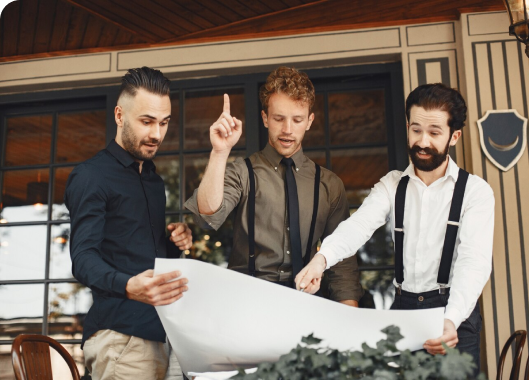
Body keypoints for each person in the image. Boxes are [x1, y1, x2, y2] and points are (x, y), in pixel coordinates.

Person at [295, 83, 494, 374]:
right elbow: (358, 227)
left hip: (455, 316)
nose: (422, 141)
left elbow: (473, 264)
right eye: (416, 130)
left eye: (434, 133)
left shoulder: (476, 192)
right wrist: (321, 259)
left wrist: (450, 319)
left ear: (454, 136)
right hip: (404, 312)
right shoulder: (392, 185)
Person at [185, 66, 362, 305]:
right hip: (246, 304)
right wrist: (220, 152)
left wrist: (349, 324)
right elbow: (206, 217)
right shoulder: (242, 173)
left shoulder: (329, 184)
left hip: (307, 304)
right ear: (265, 118)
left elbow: (343, 265)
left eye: (297, 120)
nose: (287, 129)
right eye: (279, 118)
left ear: (309, 121)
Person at [65, 67, 193, 380]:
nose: (157, 134)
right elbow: (82, 259)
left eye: (163, 123)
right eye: (147, 121)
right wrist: (127, 285)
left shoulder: (152, 180)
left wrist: (175, 243)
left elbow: (149, 261)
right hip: (121, 338)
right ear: (120, 115)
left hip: (163, 335)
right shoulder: (91, 176)